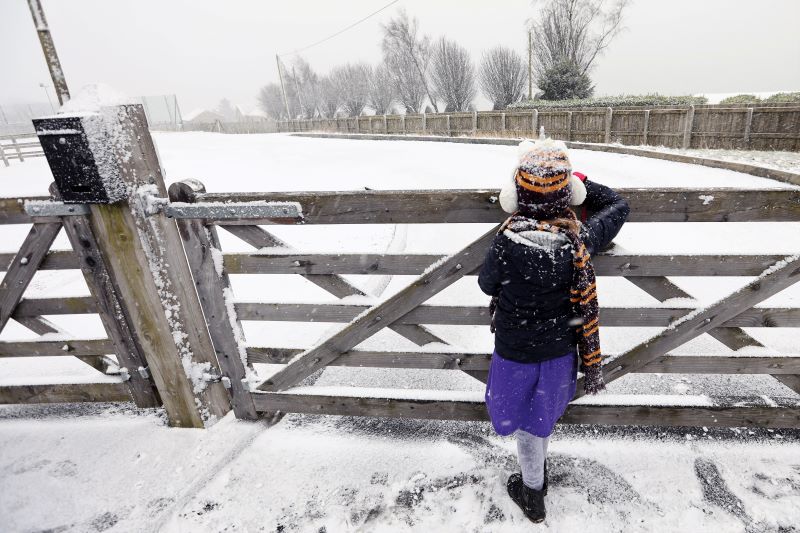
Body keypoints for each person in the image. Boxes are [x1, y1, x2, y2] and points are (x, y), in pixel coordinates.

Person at [478, 138, 630, 523]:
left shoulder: (505, 242)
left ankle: (533, 493)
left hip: (514, 352)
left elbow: (486, 284)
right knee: (539, 420)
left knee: (521, 420)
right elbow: (618, 205)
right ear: (569, 196)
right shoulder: (578, 242)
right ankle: (534, 488)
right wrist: (581, 181)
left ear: (514, 195)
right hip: (559, 352)